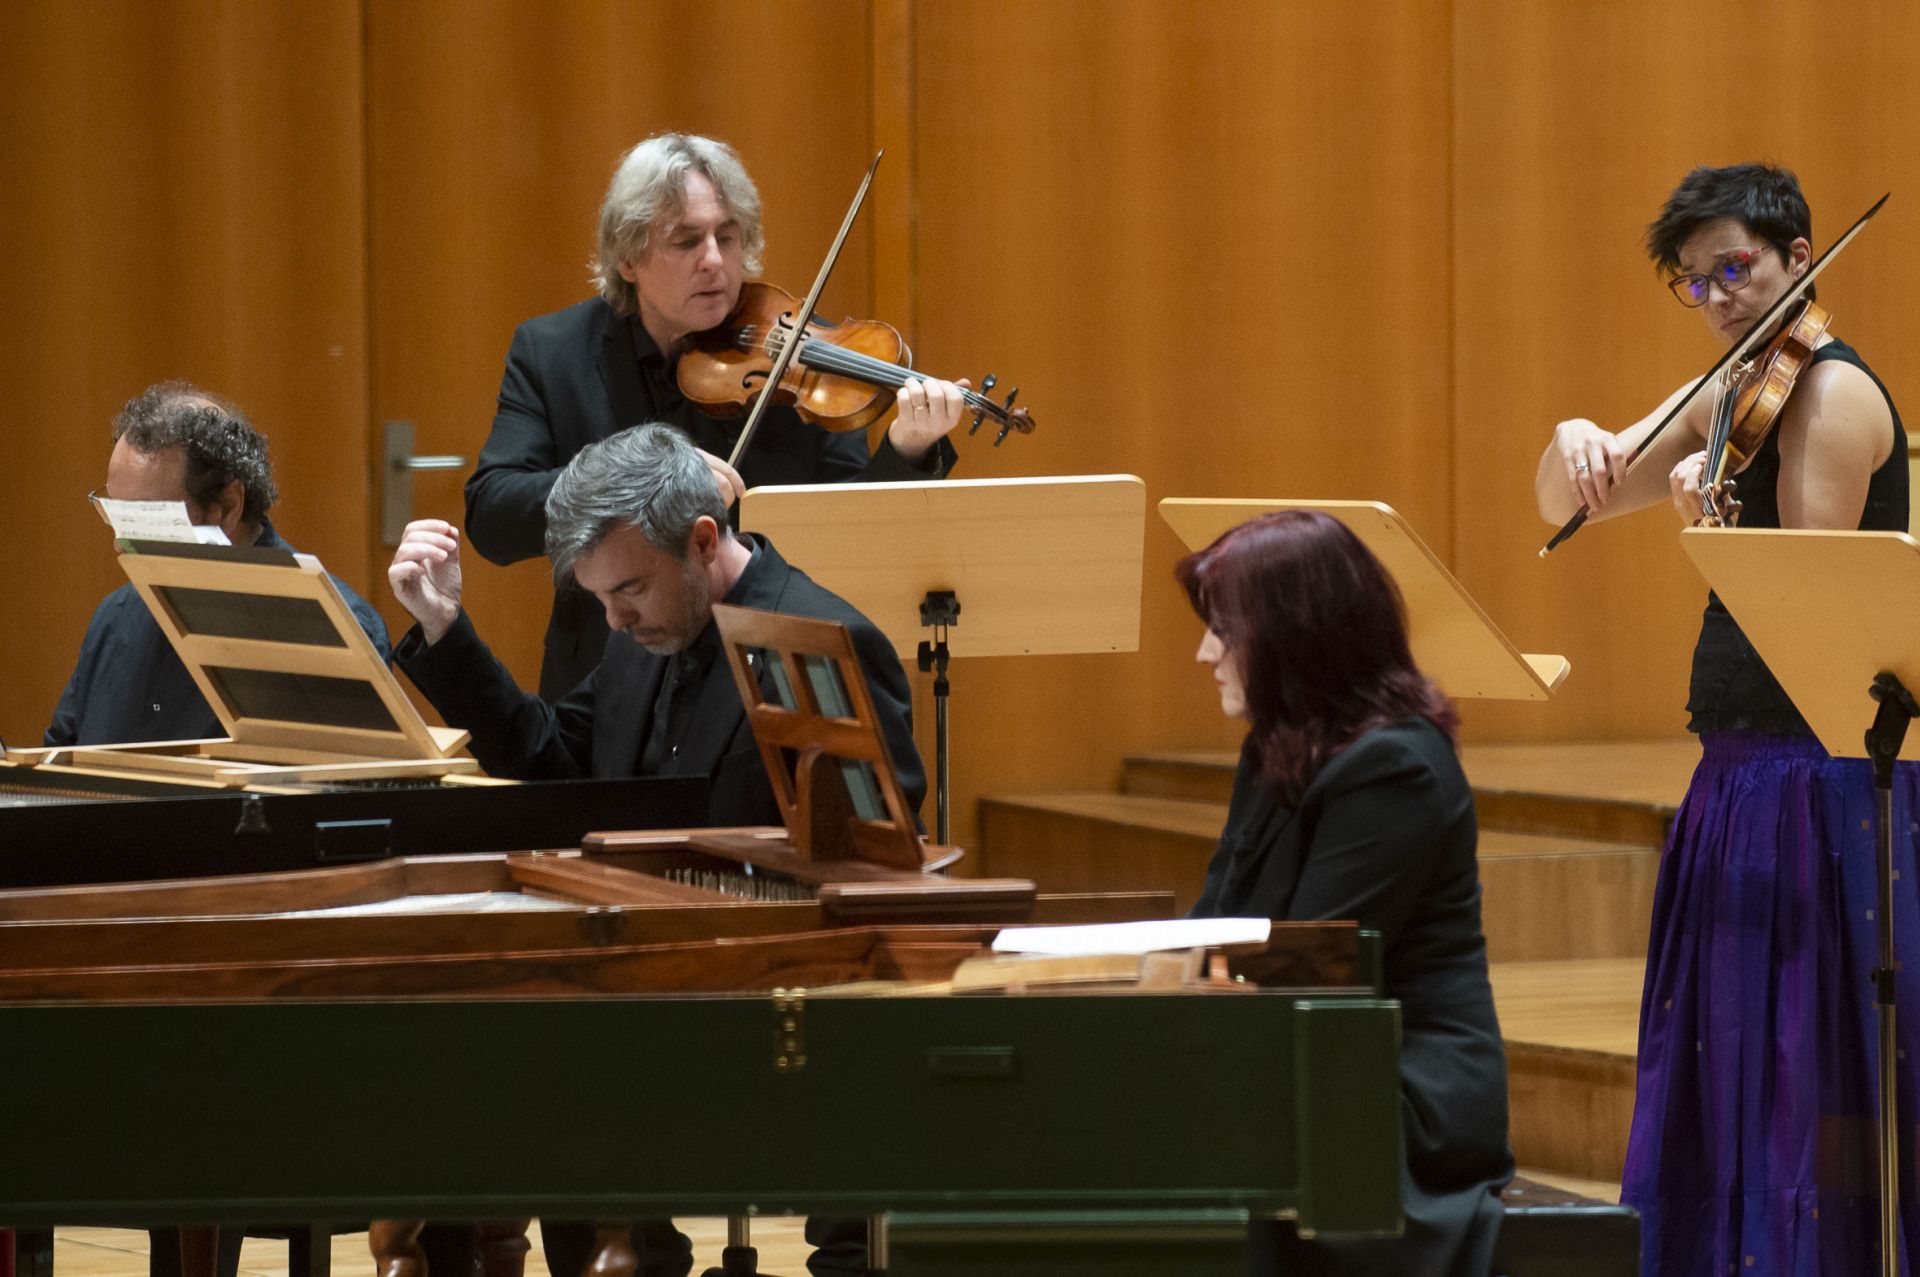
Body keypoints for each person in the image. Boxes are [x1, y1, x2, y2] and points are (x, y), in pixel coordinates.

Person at [390, 421, 923, 1277]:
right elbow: (562, 775)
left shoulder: (820, 638)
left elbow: (873, 862)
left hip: (774, 1011)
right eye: (600, 596)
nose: (615, 615)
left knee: (561, 1071)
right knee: (461, 1056)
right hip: (642, 988)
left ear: (704, 539)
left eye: (628, 588)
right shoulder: (646, 632)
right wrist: (446, 630)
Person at [1534, 163, 1914, 1275]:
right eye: (1694, 284)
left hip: (1819, 774)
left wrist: (1709, 525)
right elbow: (1568, 504)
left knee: (1799, 1056)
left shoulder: (1833, 393)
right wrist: (1575, 437)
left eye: (1735, 270)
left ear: (1801, 259)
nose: (1717, 299)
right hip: (1739, 771)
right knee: (1728, 1041)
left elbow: (1803, 613)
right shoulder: (1730, 386)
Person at [465, 131, 971, 700]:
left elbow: (855, 534)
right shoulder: (553, 353)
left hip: (768, 681)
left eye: (726, 237)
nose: (714, 261)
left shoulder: (800, 357)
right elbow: (492, 515)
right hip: (605, 689)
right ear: (629, 257)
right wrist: (632, 488)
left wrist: (906, 449)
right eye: (686, 241)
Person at [1178, 510, 1512, 1277]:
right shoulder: (1279, 744)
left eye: (1223, 630)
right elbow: (1216, 920)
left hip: (1400, 1094)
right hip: (1306, 1054)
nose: (1205, 652)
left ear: (1295, 635)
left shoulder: (1395, 769)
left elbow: (1304, 968)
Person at [46, 380, 390, 748]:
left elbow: (337, 798)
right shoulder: (115, 618)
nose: (119, 544)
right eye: (116, 512)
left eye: (146, 516)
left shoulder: (335, 627)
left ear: (227, 507)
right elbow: (60, 770)